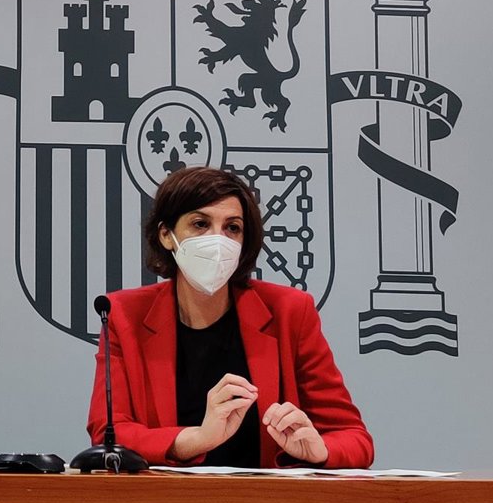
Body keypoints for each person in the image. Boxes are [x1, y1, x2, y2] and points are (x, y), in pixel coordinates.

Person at [86, 166, 372, 468]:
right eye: (200, 224)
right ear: (166, 235)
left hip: (266, 497)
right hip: (167, 497)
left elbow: (354, 438)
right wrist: (198, 438)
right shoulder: (124, 315)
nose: (218, 240)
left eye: (232, 228)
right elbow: (109, 434)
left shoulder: (289, 311)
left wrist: (319, 450)